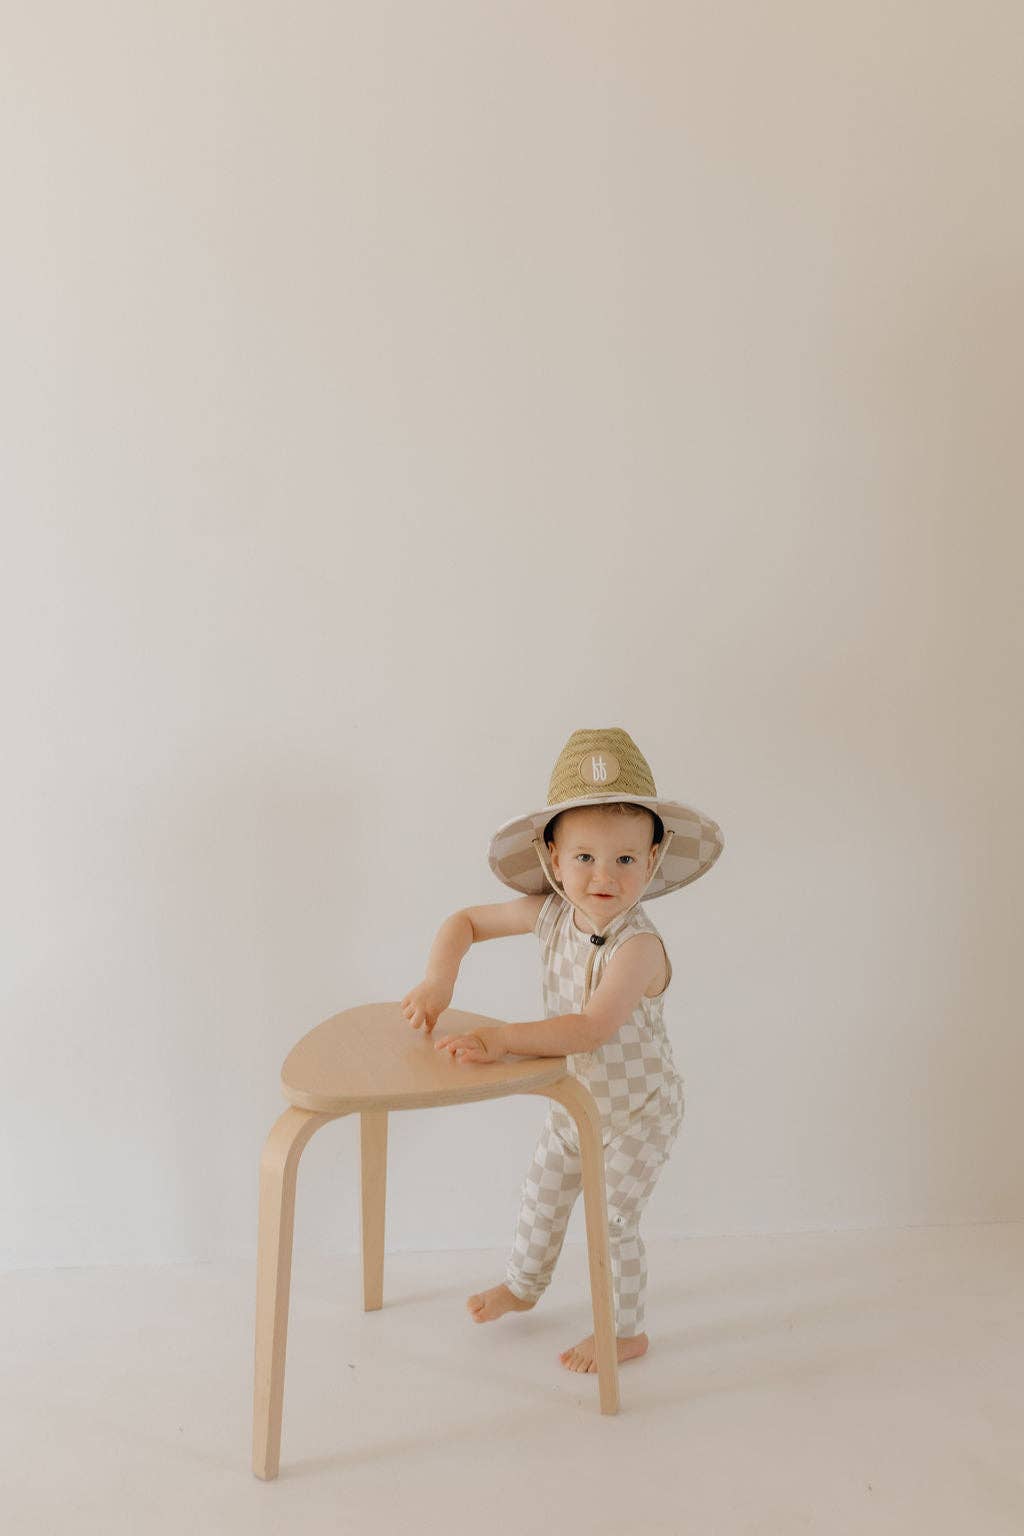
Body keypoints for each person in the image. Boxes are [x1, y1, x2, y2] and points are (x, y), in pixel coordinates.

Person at [401, 726, 724, 1374]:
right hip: (575, 1101)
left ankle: (625, 1332)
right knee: (543, 1194)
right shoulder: (549, 914)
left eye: (625, 859)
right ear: (553, 857)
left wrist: (500, 1040)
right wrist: (439, 981)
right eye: (584, 857)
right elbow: (464, 922)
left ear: (652, 860)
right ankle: (524, 1285)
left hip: (638, 1113)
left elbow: (591, 1028)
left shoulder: (639, 947)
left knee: (612, 1218)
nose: (604, 876)